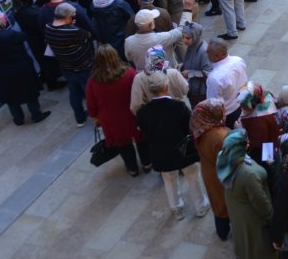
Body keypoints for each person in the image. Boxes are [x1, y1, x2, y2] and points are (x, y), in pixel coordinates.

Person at [136, 70, 210, 221]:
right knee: (192, 177)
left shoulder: (143, 113)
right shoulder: (179, 106)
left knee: (169, 180)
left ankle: (177, 209)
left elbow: (145, 132)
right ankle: (200, 206)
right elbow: (190, 126)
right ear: (166, 87)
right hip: (183, 150)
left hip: (161, 152)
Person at [215, 128, 278, 259]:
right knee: (256, 238)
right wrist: (271, 216)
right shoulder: (248, 173)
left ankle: (242, 258)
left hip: (235, 206)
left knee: (241, 234)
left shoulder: (224, 157)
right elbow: (259, 201)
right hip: (251, 214)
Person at [86, 45, 148, 175]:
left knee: (123, 145)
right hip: (132, 114)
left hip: (111, 120)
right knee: (141, 139)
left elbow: (91, 105)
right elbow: (140, 92)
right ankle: (147, 163)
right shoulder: (130, 73)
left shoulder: (93, 81)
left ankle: (132, 169)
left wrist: (95, 118)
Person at [0, 12, 49, 126]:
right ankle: (36, 115)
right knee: (29, 93)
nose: (5, 21)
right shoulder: (9, 35)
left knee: (10, 98)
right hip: (18, 69)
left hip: (1, 74)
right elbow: (23, 36)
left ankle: (18, 119)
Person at [44, 2, 94, 126]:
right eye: (73, 16)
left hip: (66, 67)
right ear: (67, 17)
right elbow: (88, 35)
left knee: (74, 94)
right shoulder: (74, 31)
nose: (74, 19)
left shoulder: (48, 28)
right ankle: (96, 119)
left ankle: (80, 119)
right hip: (83, 68)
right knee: (90, 95)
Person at [192, 99, 231, 239]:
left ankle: (221, 232)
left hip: (209, 171)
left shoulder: (201, 127)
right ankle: (224, 232)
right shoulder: (219, 137)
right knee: (225, 205)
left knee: (217, 203)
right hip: (222, 176)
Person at [123, 0, 194, 69]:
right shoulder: (163, 38)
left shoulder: (128, 41)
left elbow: (129, 58)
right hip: (167, 73)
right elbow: (182, 29)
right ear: (151, 25)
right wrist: (187, 8)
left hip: (143, 77)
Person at [129, 45, 189, 115]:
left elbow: (135, 105)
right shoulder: (174, 73)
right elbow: (185, 89)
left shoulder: (139, 78)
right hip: (178, 113)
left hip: (153, 117)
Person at [206, 38, 249, 128]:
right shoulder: (238, 60)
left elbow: (215, 105)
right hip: (242, 105)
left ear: (217, 56)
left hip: (229, 114)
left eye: (208, 52)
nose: (206, 54)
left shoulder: (215, 78)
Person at [236, 82, 280, 165]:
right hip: (271, 139)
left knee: (267, 165)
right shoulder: (265, 97)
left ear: (252, 103)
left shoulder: (257, 121)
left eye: (244, 104)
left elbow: (257, 145)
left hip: (267, 149)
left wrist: (240, 130)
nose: (241, 107)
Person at [179, 23, 212, 107]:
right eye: (183, 37)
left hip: (201, 92)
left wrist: (190, 73)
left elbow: (208, 72)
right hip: (193, 89)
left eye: (188, 38)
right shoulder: (192, 46)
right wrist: (183, 65)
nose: (184, 40)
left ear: (195, 36)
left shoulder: (203, 51)